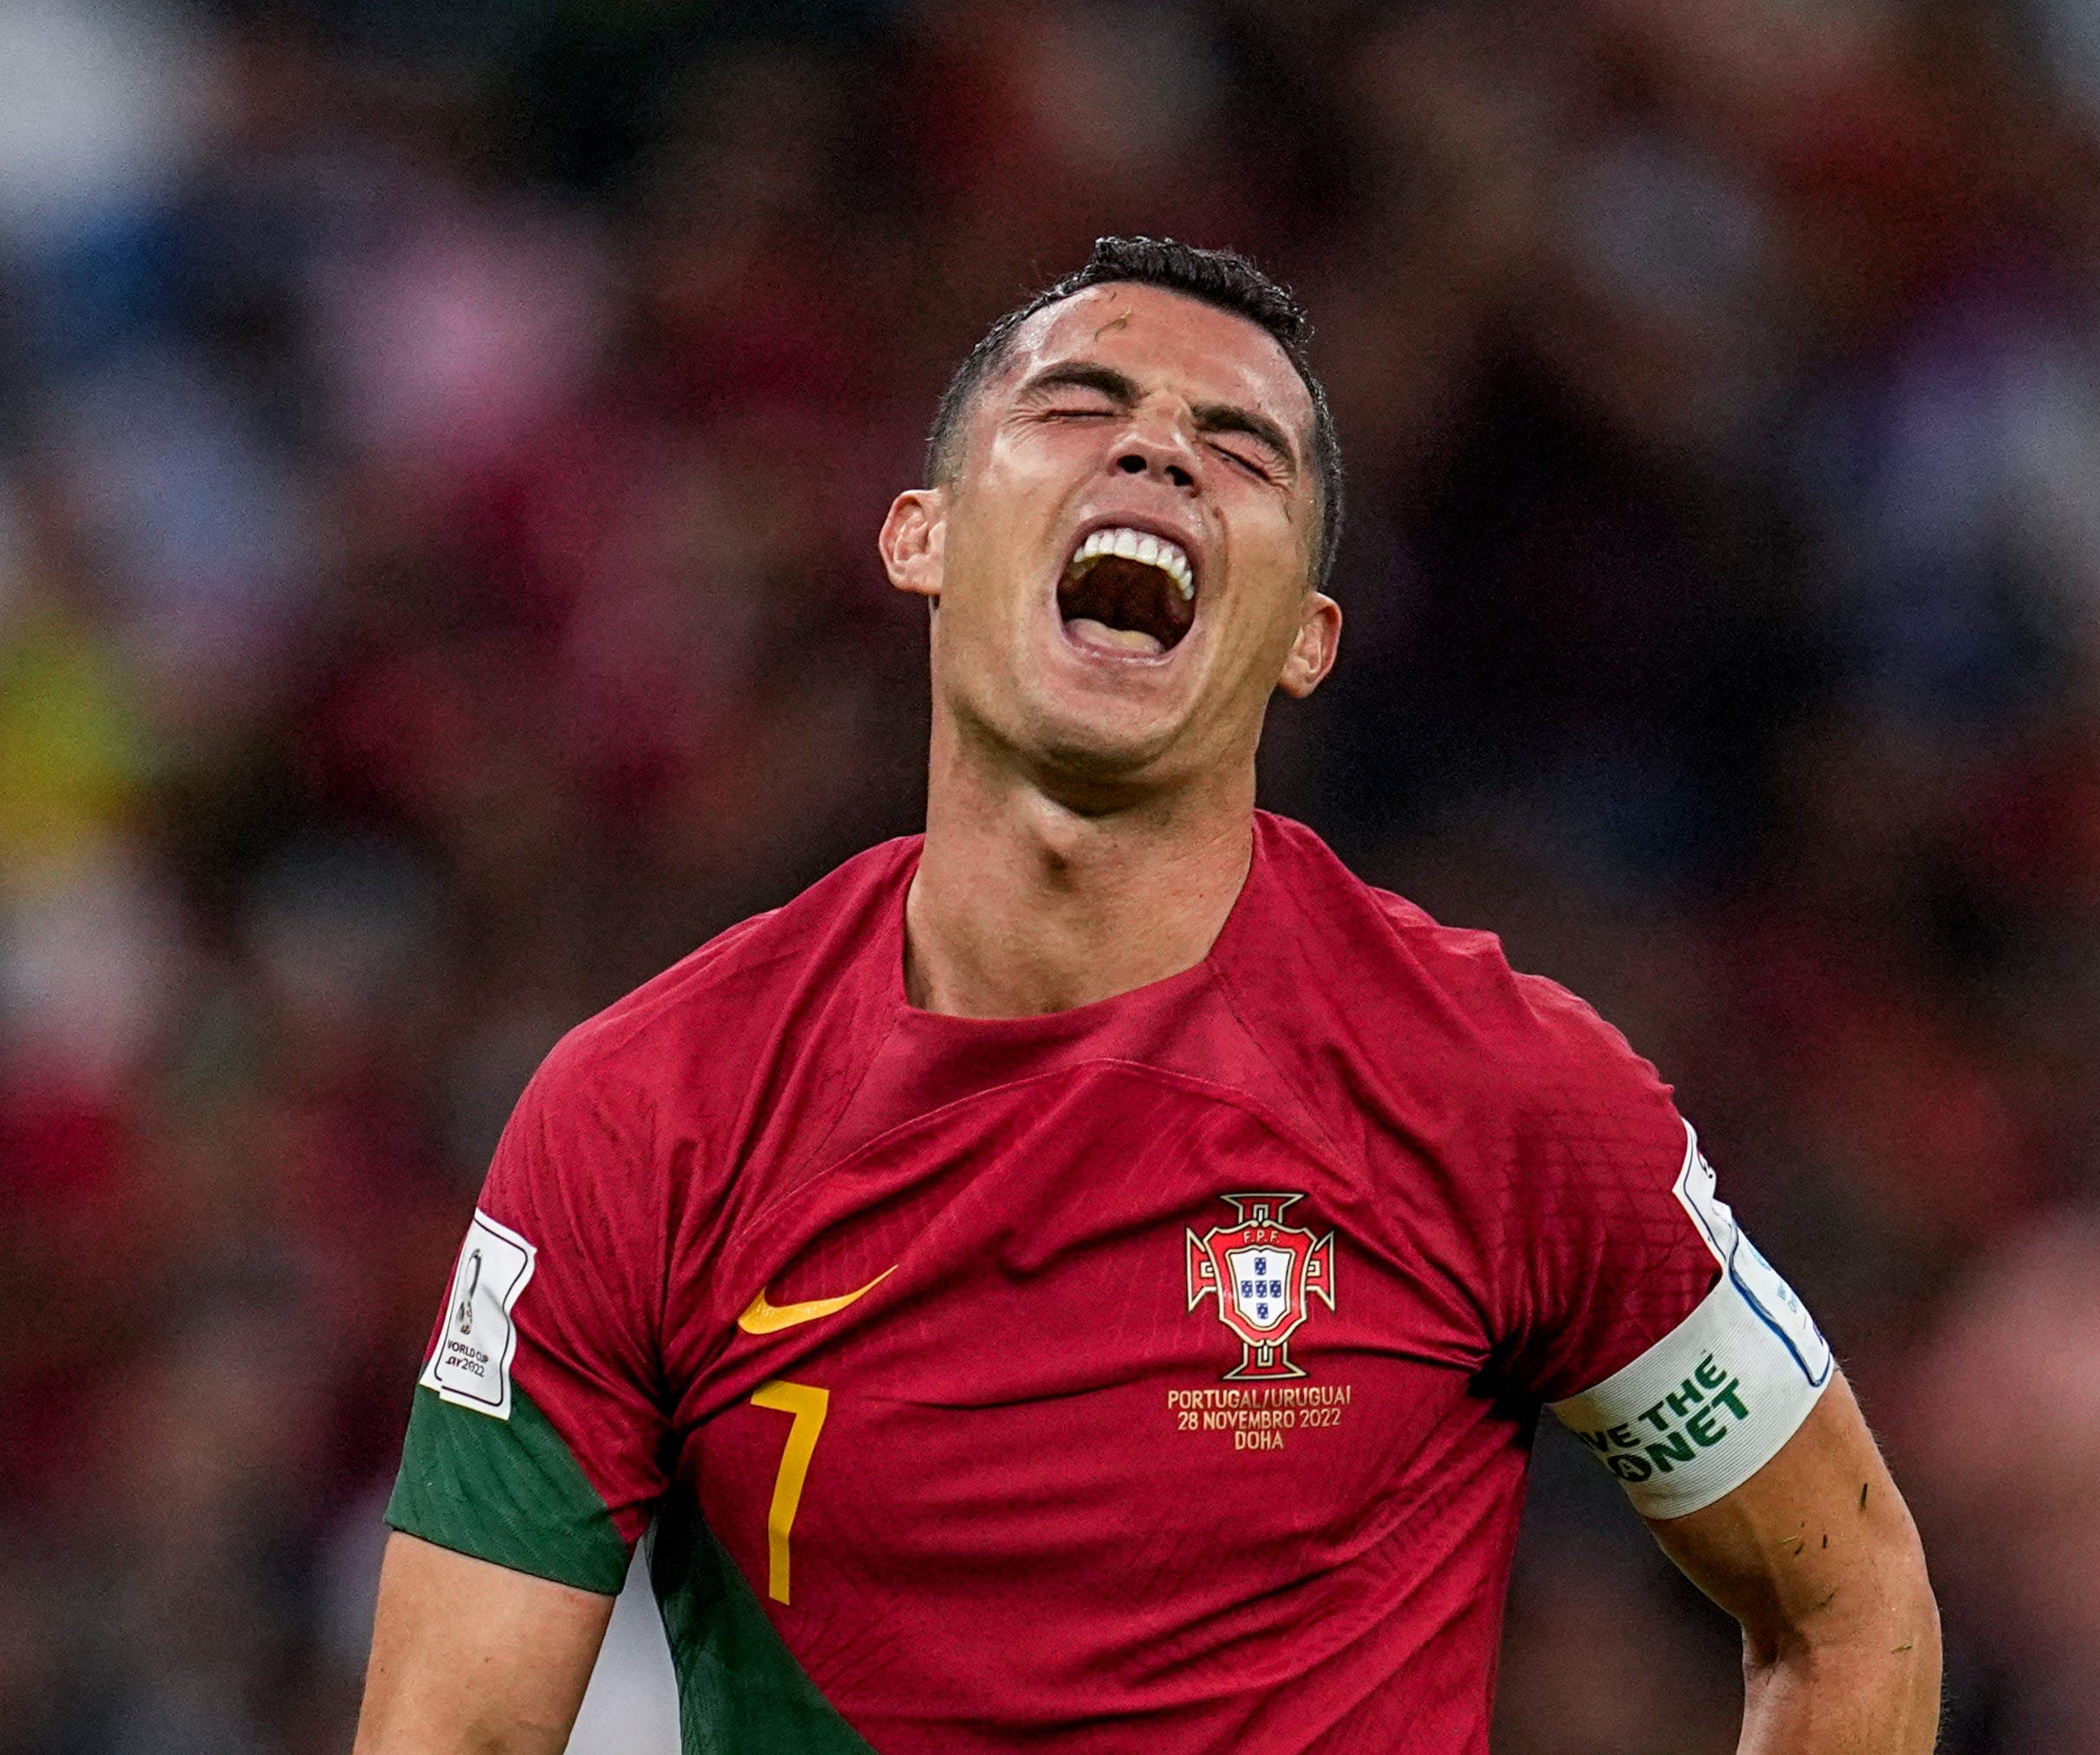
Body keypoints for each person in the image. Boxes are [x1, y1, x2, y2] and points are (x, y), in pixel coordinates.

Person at [355, 237, 1939, 1754]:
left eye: (1241, 451)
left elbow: (1850, 1610)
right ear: (922, 536)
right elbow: (454, 1731)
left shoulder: (1504, 1096)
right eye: (1076, 408)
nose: (1161, 455)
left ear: (1307, 642)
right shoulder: (647, 1117)